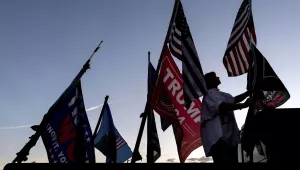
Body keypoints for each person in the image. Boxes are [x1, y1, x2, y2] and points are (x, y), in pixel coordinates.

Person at [200, 72, 256, 164]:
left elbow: (234, 99)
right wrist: (245, 104)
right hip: (218, 139)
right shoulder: (209, 94)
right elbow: (223, 106)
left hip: (229, 139)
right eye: (215, 76)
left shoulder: (220, 94)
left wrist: (249, 92)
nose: (218, 76)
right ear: (209, 81)